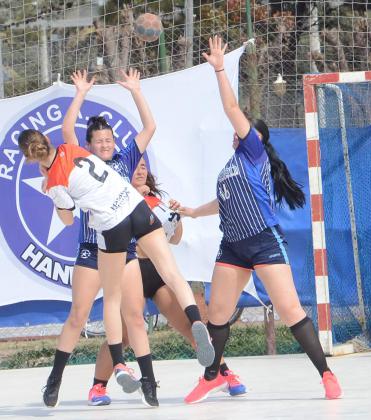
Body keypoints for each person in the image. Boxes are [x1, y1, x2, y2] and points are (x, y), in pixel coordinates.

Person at [179, 36, 341, 404]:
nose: (239, 130)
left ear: (256, 137)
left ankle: (327, 374)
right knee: (217, 314)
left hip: (264, 240)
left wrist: (220, 70)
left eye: (246, 128)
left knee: (289, 310)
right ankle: (211, 376)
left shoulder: (253, 153)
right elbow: (223, 204)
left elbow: (231, 107)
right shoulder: (230, 166)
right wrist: (191, 212)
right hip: (233, 245)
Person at [36, 70, 212, 409]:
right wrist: (80, 94)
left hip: (124, 247)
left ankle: (144, 380)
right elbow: (68, 131)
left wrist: (136, 90)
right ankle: (57, 379)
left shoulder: (125, 159)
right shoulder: (79, 158)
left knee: (133, 316)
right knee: (79, 315)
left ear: (115, 143)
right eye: (99, 141)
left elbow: (149, 128)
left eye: (109, 140)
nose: (105, 144)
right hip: (92, 249)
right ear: (88, 146)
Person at [89, 159, 248, 406]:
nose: (141, 170)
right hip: (130, 270)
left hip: (157, 272)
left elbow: (173, 239)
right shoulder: (117, 200)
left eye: (144, 167)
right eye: (136, 167)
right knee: (124, 335)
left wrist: (176, 218)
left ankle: (223, 373)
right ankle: (98, 387)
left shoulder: (156, 200)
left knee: (190, 325)